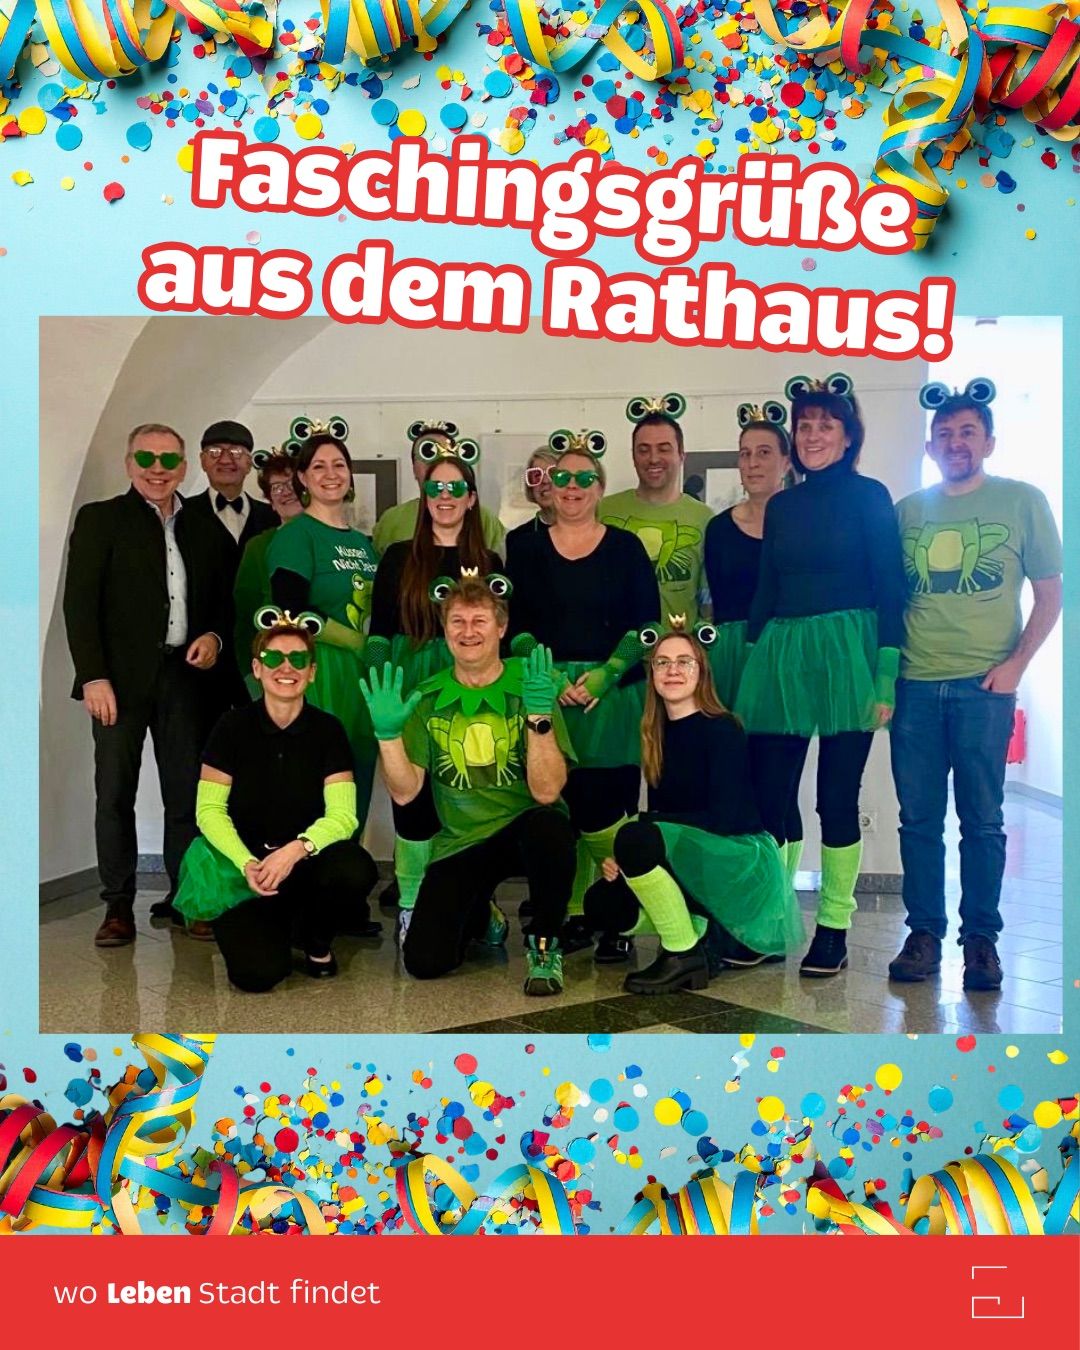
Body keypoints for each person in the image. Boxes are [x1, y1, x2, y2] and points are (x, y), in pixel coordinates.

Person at [888, 379, 1062, 991]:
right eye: (944, 434)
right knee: (918, 821)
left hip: (985, 689)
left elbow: (1050, 592)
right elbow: (890, 599)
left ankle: (981, 941)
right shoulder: (909, 511)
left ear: (989, 440)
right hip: (914, 686)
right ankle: (924, 934)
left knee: (983, 821)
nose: (955, 442)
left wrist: (1016, 666)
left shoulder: (1022, 501)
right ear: (931, 445)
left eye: (967, 432)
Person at [736, 373, 907, 978]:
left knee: (837, 797)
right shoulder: (782, 505)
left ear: (848, 435)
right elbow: (767, 589)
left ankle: (834, 924)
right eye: (804, 425)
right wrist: (751, 664)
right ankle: (773, 917)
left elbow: (891, 586)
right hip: (783, 653)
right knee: (771, 796)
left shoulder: (870, 496)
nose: (812, 435)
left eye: (825, 425)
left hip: (850, 655)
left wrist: (885, 674)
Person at [359, 576, 577, 994]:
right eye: (457, 621)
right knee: (425, 962)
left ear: (501, 627)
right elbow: (405, 792)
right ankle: (484, 915)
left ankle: (545, 945)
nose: (468, 631)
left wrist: (538, 716)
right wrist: (388, 735)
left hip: (524, 828)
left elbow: (548, 792)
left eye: (479, 621)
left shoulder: (531, 684)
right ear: (445, 630)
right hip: (461, 841)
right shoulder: (426, 697)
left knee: (550, 827)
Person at [62, 423, 229, 946]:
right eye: (147, 458)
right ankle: (116, 909)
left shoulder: (203, 526)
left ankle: (188, 901)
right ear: (129, 463)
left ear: (184, 466)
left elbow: (223, 602)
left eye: (169, 459)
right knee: (114, 793)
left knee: (187, 795)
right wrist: (93, 676)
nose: (158, 468)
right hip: (118, 684)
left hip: (184, 678)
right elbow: (80, 605)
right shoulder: (100, 520)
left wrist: (215, 638)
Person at [584, 624, 803, 990]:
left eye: (684, 662)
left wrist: (640, 833)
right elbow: (666, 816)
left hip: (735, 855)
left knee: (636, 836)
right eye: (662, 663)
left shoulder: (722, 729)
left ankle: (682, 954)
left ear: (701, 672)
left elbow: (726, 818)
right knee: (602, 904)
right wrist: (629, 852)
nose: (672, 670)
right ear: (651, 674)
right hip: (695, 849)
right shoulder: (656, 733)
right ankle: (697, 936)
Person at [506, 434, 660, 954]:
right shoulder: (522, 547)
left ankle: (615, 916)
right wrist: (547, 676)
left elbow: (647, 627)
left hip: (611, 696)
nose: (571, 487)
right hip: (549, 692)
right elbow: (515, 627)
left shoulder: (626, 547)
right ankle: (570, 913)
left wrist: (607, 674)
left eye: (583, 478)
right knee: (560, 806)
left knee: (612, 808)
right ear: (548, 486)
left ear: (600, 487)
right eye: (562, 478)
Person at [173, 612, 379, 991]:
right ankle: (274, 929)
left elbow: (344, 816)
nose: (287, 668)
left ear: (312, 672)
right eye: (274, 659)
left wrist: (294, 851)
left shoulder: (328, 730)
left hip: (304, 863)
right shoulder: (230, 727)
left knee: (356, 867)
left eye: (299, 659)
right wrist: (247, 862)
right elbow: (209, 811)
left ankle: (315, 940)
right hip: (245, 871)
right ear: (257, 667)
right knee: (257, 976)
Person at [368, 451, 502, 926]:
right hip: (410, 686)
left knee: (468, 791)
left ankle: (475, 905)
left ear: (471, 500)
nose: (444, 496)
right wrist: (381, 686)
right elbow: (380, 632)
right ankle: (411, 903)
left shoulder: (491, 561)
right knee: (413, 795)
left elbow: (506, 628)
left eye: (455, 488)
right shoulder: (399, 557)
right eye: (435, 488)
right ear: (424, 498)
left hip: (470, 683)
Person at [703, 403, 803, 889]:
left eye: (765, 452)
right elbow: (713, 608)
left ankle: (776, 900)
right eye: (745, 453)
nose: (753, 463)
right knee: (739, 784)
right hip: (732, 664)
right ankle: (745, 893)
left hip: (786, 664)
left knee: (781, 788)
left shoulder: (806, 525)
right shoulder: (718, 529)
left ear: (787, 460)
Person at [267, 431, 380, 824]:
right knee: (319, 780)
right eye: (318, 466)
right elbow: (290, 608)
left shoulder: (365, 544)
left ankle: (347, 872)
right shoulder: (296, 536)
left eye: (339, 465)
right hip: (321, 673)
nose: (330, 474)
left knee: (357, 778)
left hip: (362, 678)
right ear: (301, 477)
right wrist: (353, 641)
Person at [599, 393, 713, 624]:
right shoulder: (602, 511)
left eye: (663, 449)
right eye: (643, 450)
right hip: (613, 655)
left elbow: (708, 604)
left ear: (681, 455)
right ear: (633, 456)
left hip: (678, 655)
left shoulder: (704, 518)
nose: (653, 458)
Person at [187, 420, 278, 708]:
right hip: (200, 656)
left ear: (250, 462)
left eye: (236, 451)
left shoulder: (274, 517)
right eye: (215, 451)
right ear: (202, 460)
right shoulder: (181, 515)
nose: (226, 459)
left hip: (262, 650)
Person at [232, 446, 304, 696]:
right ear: (270, 502)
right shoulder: (258, 547)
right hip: (274, 672)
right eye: (277, 487)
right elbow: (243, 618)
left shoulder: (333, 540)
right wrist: (252, 678)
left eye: (292, 483)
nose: (286, 492)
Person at [373, 420, 505, 554]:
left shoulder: (485, 520)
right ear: (414, 468)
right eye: (427, 454)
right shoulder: (391, 520)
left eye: (444, 456)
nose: (436, 464)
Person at [504, 445, 559, 564]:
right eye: (536, 476)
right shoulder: (517, 538)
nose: (545, 481)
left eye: (553, 473)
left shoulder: (589, 533)